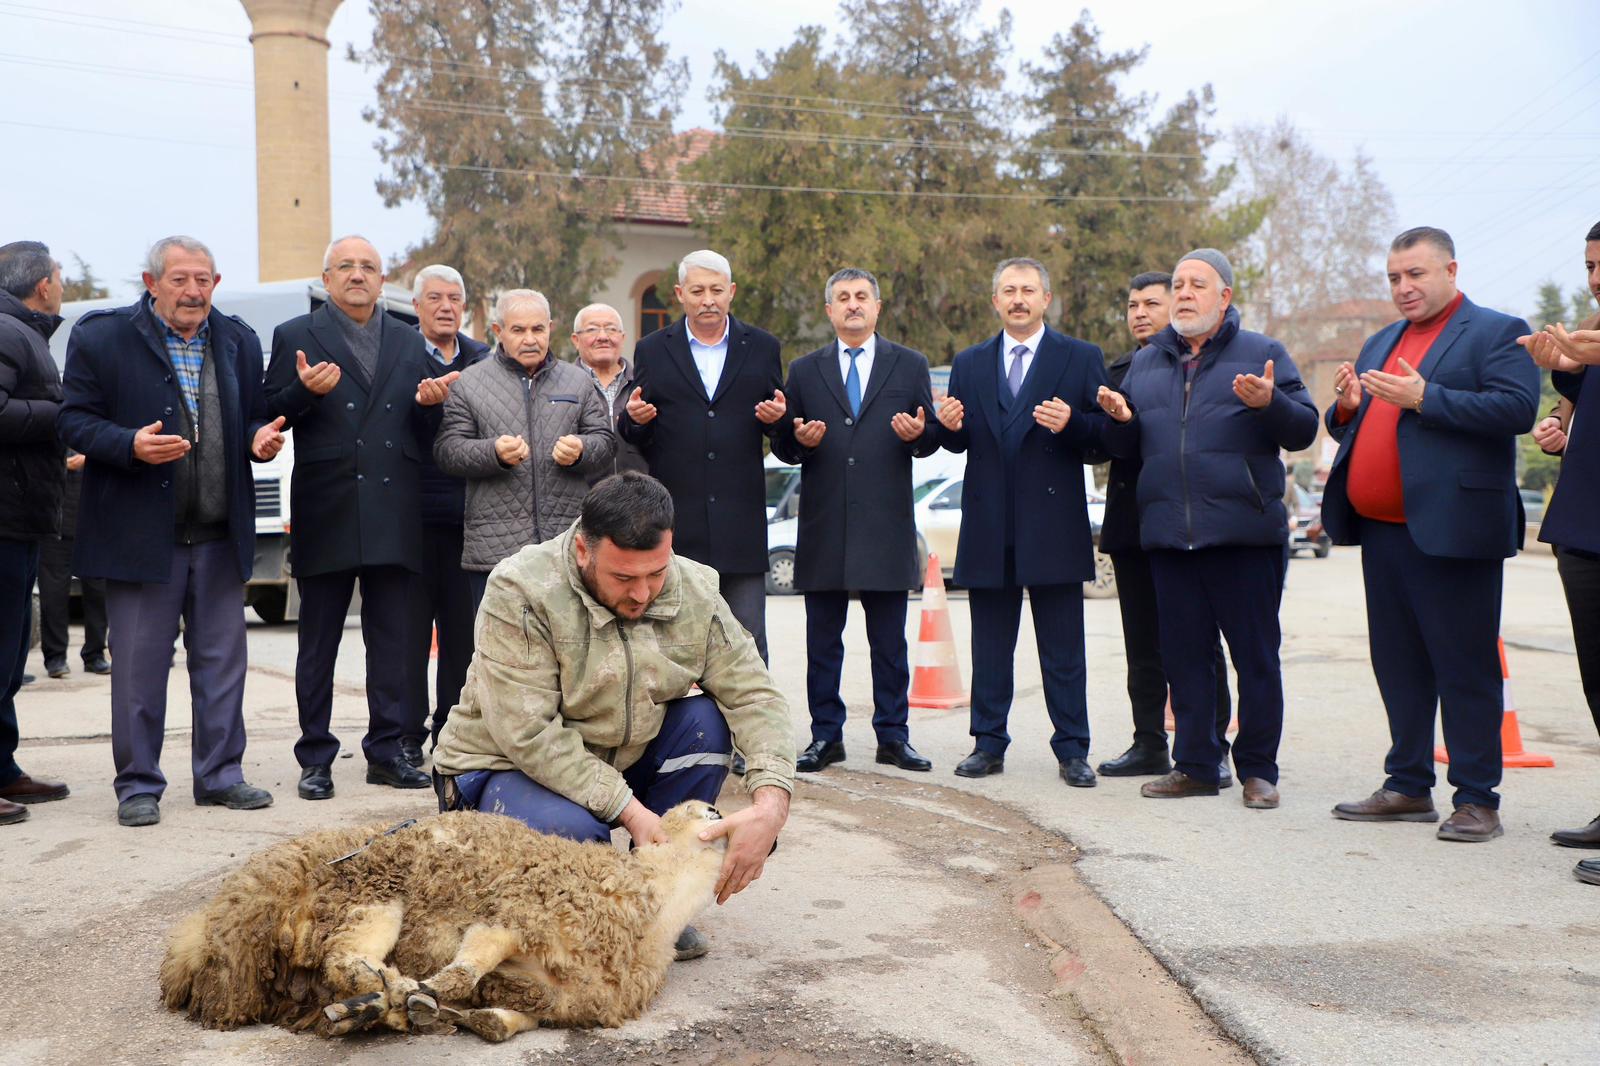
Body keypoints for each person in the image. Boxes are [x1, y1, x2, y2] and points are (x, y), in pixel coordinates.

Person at [432, 471, 795, 959]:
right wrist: (632, 812)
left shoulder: (695, 589)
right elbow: (528, 733)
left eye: (655, 574)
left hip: (613, 759)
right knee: (580, 845)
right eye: (624, 578)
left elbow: (754, 695)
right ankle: (597, 900)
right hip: (502, 766)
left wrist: (770, 807)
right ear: (584, 551)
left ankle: (651, 897)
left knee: (704, 723)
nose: (643, 593)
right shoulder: (521, 589)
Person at [1322, 227, 1538, 842]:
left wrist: (1426, 397)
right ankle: (1408, 785)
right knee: (1398, 665)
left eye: (1415, 274)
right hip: (1384, 532)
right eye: (1394, 277)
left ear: (1450, 270)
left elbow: (1516, 409)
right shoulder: (1381, 340)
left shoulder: (1496, 330)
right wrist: (1347, 408)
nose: (1403, 287)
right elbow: (1357, 428)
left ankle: (1477, 798)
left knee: (1464, 665)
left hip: (1454, 530)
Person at [59, 235, 281, 827]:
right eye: (180, 279)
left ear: (216, 283)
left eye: (203, 279)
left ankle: (221, 775)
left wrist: (257, 439)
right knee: (138, 669)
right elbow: (73, 420)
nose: (193, 291)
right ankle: (137, 785)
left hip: (218, 534)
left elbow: (253, 415)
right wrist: (127, 444)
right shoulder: (103, 337)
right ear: (151, 282)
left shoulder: (237, 339)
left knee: (222, 666)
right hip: (139, 538)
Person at [1097, 248, 1318, 809]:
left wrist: (1270, 403)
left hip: (1243, 535)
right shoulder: (1147, 363)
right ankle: (1196, 764)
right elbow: (1130, 448)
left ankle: (1258, 770)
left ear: (1225, 296)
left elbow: (1303, 429)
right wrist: (1120, 421)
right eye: (1178, 284)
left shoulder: (1263, 353)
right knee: (1185, 657)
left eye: (1198, 284)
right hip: (1169, 537)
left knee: (1255, 659)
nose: (1185, 293)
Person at [264, 235, 459, 801]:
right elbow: (268, 412)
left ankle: (387, 751)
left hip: (394, 508)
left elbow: (422, 432)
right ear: (326, 279)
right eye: (345, 267)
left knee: (393, 641)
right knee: (318, 642)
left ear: (382, 280)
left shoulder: (407, 338)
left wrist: (431, 407)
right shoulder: (296, 335)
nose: (357, 275)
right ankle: (315, 757)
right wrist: (301, 392)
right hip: (327, 504)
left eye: (368, 267)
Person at [934, 257, 1110, 787]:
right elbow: (961, 440)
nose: (1018, 299)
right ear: (995, 301)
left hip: (1053, 524)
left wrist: (1074, 423)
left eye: (1028, 290)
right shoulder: (970, 363)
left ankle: (1072, 749)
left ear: (1045, 299)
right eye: (1008, 290)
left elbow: (1105, 438)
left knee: (1063, 649)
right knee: (990, 648)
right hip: (989, 524)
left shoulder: (1080, 358)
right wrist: (947, 428)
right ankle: (987, 744)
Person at [772, 268, 939, 774]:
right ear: (829, 310)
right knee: (823, 643)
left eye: (861, 296)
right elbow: (783, 444)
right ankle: (826, 735)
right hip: (824, 526)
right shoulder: (805, 370)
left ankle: (894, 735)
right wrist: (798, 441)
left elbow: (930, 438)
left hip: (885, 527)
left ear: (877, 306)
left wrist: (918, 435)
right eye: (842, 297)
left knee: (889, 643)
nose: (852, 304)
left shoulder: (909, 365)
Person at [1096, 272, 1234, 782]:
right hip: (1132, 523)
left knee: (1200, 642)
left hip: (1184, 522)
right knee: (1142, 645)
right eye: (1132, 305)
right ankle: (1149, 742)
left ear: (1175, 305)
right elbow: (1103, 445)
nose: (1139, 313)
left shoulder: (1196, 364)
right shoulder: (1118, 370)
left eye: (1151, 303)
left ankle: (1213, 746)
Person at [619, 249, 785, 662]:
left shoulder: (762, 347)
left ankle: (750, 709)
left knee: (747, 642)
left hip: (741, 522)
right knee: (676, 645)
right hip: (678, 521)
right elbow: (638, 433)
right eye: (697, 291)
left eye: (716, 290)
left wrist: (779, 420)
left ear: (731, 292)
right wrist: (634, 420)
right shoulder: (653, 349)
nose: (707, 300)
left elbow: (781, 433)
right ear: (680, 294)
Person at [433, 289, 614, 613]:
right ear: (498, 331)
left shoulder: (577, 381)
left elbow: (605, 442)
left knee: (569, 643)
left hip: (565, 548)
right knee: (499, 644)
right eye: (518, 330)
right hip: (495, 552)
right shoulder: (469, 383)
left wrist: (582, 450)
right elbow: (448, 451)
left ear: (550, 329)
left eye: (538, 329)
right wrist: (493, 453)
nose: (530, 339)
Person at [1518, 219, 1600, 874]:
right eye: (1590, 266)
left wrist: (1578, 357)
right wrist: (1561, 409)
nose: (1596, 279)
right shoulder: (1589, 337)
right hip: (1584, 528)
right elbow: (1579, 412)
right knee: (1598, 680)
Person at [405, 264, 491, 758]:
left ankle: (451, 734)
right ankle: (405, 738)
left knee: (463, 637)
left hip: (470, 518)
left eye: (454, 298)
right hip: (411, 518)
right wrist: (422, 405)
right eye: (434, 298)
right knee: (408, 638)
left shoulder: (483, 360)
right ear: (416, 306)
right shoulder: (401, 354)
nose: (445, 307)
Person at [0, 240, 70, 826]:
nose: (62, 287)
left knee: (7, 650)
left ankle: (2, 766)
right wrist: (61, 414)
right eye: (59, 278)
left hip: (18, 516)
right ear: (42, 285)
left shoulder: (24, 333)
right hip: (4, 515)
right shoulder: (6, 331)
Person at [37, 450, 109, 679]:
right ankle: (55, 657)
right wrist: (61, 462)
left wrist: (91, 458)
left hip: (94, 525)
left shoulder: (96, 431)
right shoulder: (49, 428)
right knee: (53, 595)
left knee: (98, 594)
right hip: (55, 526)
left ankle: (95, 654)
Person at [571, 303, 648, 483]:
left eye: (611, 329)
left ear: (622, 337)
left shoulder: (644, 382)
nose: (603, 337)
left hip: (639, 492)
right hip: (582, 494)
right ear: (575, 340)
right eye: (592, 329)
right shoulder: (562, 386)